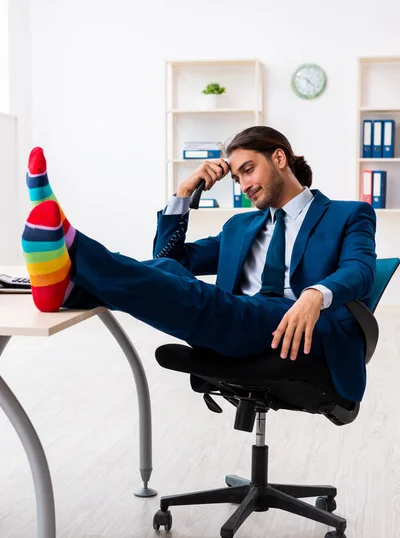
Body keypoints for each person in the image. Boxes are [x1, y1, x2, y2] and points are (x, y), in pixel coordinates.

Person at [22, 126, 376, 403]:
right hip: (241, 318)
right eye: (236, 178)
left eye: (248, 170)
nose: (243, 185)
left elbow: (360, 270)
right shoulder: (241, 226)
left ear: (279, 158)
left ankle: (72, 254)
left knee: (201, 295)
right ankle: (71, 284)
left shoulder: (347, 214)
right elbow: (167, 262)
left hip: (302, 330)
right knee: (170, 273)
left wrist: (314, 296)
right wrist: (183, 195)